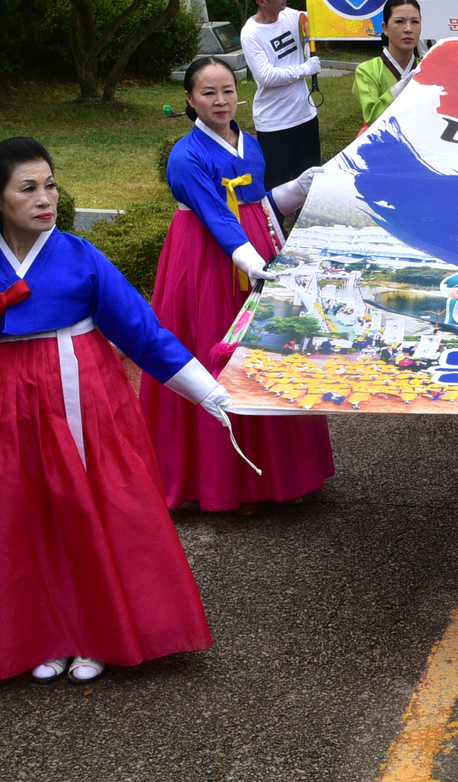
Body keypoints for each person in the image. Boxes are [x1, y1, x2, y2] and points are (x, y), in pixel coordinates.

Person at [0, 137, 222, 684]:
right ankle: (47, 636)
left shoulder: (81, 256)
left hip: (85, 399)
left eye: (50, 185)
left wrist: (209, 392)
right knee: (28, 516)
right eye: (28, 188)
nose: (45, 199)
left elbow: (141, 331)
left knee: (99, 510)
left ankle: (101, 635)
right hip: (9, 412)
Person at [141, 56, 335, 514]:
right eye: (208, 93)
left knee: (268, 354)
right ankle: (227, 484)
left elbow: (259, 204)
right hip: (205, 258)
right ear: (189, 100)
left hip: (254, 250)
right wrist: (250, 260)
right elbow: (214, 214)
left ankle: (281, 475)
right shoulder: (185, 156)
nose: (220, 100)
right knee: (215, 350)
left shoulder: (250, 145)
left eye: (227, 90)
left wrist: (298, 188)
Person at [238, 0, 323, 189]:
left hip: (305, 116)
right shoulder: (251, 33)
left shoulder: (290, 16)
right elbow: (266, 76)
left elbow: (318, 20)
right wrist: (305, 69)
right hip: (275, 123)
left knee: (310, 182)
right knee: (278, 188)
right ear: (261, 1)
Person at [354, 0, 423, 128]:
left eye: (415, 22)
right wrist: (403, 85)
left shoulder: (427, 68)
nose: (408, 29)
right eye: (400, 22)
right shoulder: (367, 71)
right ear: (385, 28)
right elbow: (372, 117)